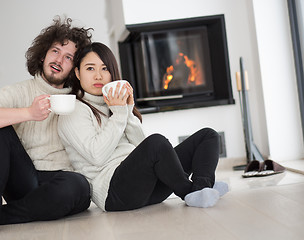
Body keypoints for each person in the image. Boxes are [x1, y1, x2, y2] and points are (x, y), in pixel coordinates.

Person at [0, 17, 93, 235]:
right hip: (22, 179)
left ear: (75, 68)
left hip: (59, 183)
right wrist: (28, 113)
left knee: (80, 187)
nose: (59, 60)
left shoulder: (81, 99)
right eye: (55, 51)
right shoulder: (20, 91)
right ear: (44, 53)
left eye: (68, 57)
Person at [57, 42, 229, 212]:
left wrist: (127, 111)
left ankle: (202, 188)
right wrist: (118, 115)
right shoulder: (73, 111)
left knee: (208, 136)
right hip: (115, 194)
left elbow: (141, 146)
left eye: (105, 69)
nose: (98, 76)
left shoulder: (114, 104)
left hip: (146, 187)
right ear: (77, 73)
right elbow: (97, 156)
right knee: (157, 142)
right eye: (90, 68)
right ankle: (189, 192)